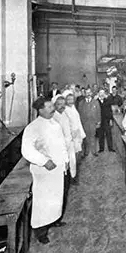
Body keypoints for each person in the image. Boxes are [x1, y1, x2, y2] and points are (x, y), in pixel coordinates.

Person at [21, 97, 69, 244]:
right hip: (44, 171)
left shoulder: (55, 123)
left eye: (51, 106)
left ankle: (54, 220)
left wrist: (66, 161)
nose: (52, 109)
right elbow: (26, 150)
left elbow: (62, 145)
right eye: (48, 107)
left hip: (58, 169)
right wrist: (44, 161)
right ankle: (40, 231)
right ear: (40, 110)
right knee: (43, 201)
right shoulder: (33, 127)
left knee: (56, 197)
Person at [51, 95, 73, 217]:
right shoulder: (54, 118)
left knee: (64, 186)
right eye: (59, 104)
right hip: (59, 156)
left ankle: (58, 216)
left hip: (66, 153)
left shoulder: (64, 114)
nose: (62, 106)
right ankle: (55, 217)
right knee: (59, 189)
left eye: (63, 103)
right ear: (54, 105)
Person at [62, 90, 85, 184]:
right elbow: (67, 125)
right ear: (65, 100)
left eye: (72, 99)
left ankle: (75, 176)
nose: (71, 101)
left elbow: (78, 122)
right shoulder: (65, 110)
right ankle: (72, 178)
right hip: (71, 137)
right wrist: (72, 134)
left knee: (77, 157)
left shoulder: (73, 108)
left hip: (77, 135)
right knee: (72, 159)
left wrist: (82, 135)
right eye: (68, 99)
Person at [78, 88, 101, 157]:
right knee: (85, 138)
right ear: (84, 93)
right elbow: (79, 114)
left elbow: (98, 112)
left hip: (93, 123)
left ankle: (94, 151)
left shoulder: (96, 102)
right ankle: (86, 151)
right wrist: (80, 124)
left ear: (91, 93)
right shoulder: (81, 103)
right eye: (86, 92)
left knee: (93, 137)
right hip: (84, 123)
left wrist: (98, 122)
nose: (88, 94)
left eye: (89, 92)